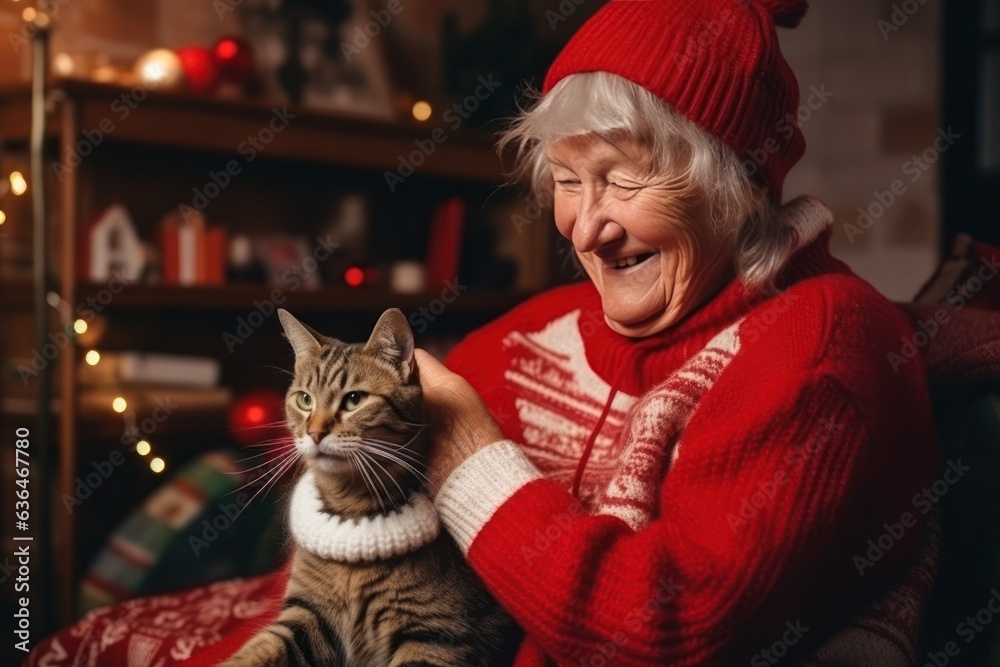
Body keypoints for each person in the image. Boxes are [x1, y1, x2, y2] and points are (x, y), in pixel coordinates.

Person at [25, 0, 940, 665]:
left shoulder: (818, 345)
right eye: (568, 182)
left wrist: (466, 446)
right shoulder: (534, 331)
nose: (586, 226)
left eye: (622, 180)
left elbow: (663, 631)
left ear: (735, 185)